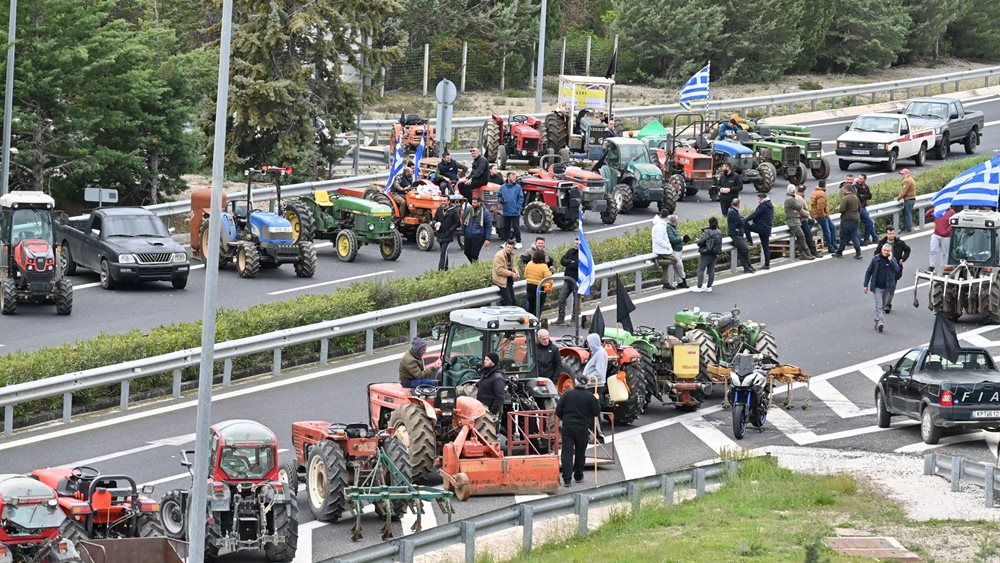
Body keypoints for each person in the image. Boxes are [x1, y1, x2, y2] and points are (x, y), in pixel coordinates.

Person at [555, 375, 601, 487]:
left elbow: (558, 410)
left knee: (567, 452)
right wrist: (596, 400)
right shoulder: (590, 396)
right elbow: (596, 412)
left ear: (575, 382)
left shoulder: (567, 394)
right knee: (580, 452)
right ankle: (578, 476)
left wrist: (565, 419)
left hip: (568, 426)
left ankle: (567, 479)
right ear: (586, 384)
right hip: (582, 427)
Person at [864, 243, 901, 333]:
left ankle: (877, 321)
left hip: (887, 288)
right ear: (882, 250)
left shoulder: (892, 260)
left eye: (888, 251)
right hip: (877, 287)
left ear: (890, 252)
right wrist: (865, 285)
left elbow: (897, 269)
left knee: (883, 306)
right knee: (879, 305)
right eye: (884, 250)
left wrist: (891, 260)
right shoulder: (876, 259)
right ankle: (881, 322)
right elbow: (869, 272)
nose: (886, 252)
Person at [873, 226, 910, 314]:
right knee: (883, 287)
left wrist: (903, 259)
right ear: (886, 234)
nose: (891, 235)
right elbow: (876, 253)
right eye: (889, 234)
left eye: (893, 233)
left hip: (895, 268)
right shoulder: (882, 243)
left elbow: (908, 250)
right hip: (884, 269)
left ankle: (888, 304)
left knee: (892, 287)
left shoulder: (900, 243)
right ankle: (883, 302)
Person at [783, 185, 814, 261]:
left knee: (800, 237)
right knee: (801, 236)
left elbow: (798, 207)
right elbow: (800, 206)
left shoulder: (790, 198)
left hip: (796, 221)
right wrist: (797, 208)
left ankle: (803, 254)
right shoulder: (790, 199)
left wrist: (796, 209)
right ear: (793, 191)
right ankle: (807, 252)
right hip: (793, 222)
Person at [653, 209, 681, 289]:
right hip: (662, 250)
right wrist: (668, 246)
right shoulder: (660, 226)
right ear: (667, 217)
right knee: (674, 260)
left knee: (665, 266)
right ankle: (658, 262)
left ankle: (665, 283)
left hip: (661, 249)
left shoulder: (659, 224)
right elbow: (659, 240)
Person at [693, 216, 723, 292]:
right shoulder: (719, 231)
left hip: (706, 253)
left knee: (701, 269)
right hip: (715, 253)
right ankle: (709, 287)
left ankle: (699, 287)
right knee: (711, 270)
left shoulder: (707, 231)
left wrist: (698, 241)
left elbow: (700, 242)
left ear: (709, 223)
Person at [745, 192, 773, 269]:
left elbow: (755, 214)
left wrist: (745, 220)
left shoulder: (763, 206)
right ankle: (767, 264)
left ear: (762, 199)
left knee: (746, 226)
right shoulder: (769, 205)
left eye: (758, 199)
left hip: (761, 227)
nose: (757, 201)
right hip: (767, 229)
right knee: (765, 246)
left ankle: (749, 241)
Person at [833, 183, 862, 259]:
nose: (843, 191)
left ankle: (839, 252)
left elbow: (842, 209)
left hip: (846, 220)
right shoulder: (856, 198)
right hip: (855, 219)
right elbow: (859, 208)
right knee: (854, 236)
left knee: (843, 237)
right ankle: (858, 252)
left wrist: (838, 208)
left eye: (844, 189)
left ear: (846, 189)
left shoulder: (845, 198)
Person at [460, 196, 492, 263]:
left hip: (479, 237)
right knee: (466, 252)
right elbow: (464, 222)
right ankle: (475, 266)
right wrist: (462, 234)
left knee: (474, 255)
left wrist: (487, 239)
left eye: (475, 203)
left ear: (479, 203)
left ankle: (476, 266)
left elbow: (488, 226)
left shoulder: (485, 212)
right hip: (468, 235)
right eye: (472, 202)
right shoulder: (469, 209)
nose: (473, 204)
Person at [555, 238, 579, 326]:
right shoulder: (570, 251)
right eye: (575, 243)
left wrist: (568, 263)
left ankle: (574, 319)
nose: (576, 245)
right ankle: (561, 318)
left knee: (576, 301)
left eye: (578, 244)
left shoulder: (582, 254)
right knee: (561, 299)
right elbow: (562, 261)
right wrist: (570, 262)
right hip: (567, 280)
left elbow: (575, 265)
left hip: (577, 281)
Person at [433, 197, 461, 271]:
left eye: (444, 201)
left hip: (448, 235)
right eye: (442, 201)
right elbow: (434, 219)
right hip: (440, 234)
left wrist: (450, 230)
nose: (442, 202)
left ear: (448, 202)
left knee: (443, 252)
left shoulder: (453, 210)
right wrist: (435, 223)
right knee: (444, 252)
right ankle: (446, 268)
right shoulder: (439, 210)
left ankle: (441, 269)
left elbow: (457, 222)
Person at [727, 198, 755, 273]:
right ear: (739, 204)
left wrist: (742, 219)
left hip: (738, 234)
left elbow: (740, 219)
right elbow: (741, 222)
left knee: (742, 251)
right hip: (735, 235)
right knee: (745, 249)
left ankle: (747, 267)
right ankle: (748, 266)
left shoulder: (733, 211)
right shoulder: (732, 212)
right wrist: (744, 219)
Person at [476, 352, 506, 417]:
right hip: (482, 410)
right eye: (485, 359)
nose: (484, 361)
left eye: (487, 360)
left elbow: (500, 396)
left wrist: (492, 412)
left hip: (489, 412)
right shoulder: (486, 374)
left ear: (493, 362)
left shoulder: (497, 377)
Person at [927, 206, 956, 274]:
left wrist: (946, 231)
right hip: (936, 234)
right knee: (933, 250)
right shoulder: (937, 210)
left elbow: (953, 223)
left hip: (946, 236)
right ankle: (931, 267)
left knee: (945, 253)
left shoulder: (951, 212)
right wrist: (934, 209)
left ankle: (944, 267)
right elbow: (927, 214)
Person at [811, 180, 837, 254]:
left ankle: (834, 244)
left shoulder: (815, 191)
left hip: (821, 215)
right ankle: (830, 247)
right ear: (825, 185)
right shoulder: (821, 194)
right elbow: (820, 207)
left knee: (832, 227)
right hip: (821, 216)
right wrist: (823, 215)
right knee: (827, 231)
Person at [498, 173, 524, 247]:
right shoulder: (503, 187)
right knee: (506, 227)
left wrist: (517, 206)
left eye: (515, 177)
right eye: (513, 177)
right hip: (506, 210)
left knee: (516, 226)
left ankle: (519, 242)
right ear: (508, 178)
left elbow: (521, 198)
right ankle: (506, 241)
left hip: (515, 211)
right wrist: (501, 200)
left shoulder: (518, 187)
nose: (514, 179)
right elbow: (499, 196)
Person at [492, 239, 520, 306]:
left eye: (511, 248)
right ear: (505, 246)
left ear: (513, 248)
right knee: (509, 302)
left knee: (513, 301)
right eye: (508, 247)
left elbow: (512, 265)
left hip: (508, 280)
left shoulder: (510, 254)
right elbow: (499, 270)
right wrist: (512, 274)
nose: (509, 249)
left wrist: (516, 271)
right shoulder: (499, 255)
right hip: (501, 281)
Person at [524, 249, 553, 316]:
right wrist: (550, 284)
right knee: (538, 307)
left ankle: (530, 320)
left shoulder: (529, 264)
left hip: (529, 287)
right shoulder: (544, 266)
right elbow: (548, 279)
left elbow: (525, 275)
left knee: (531, 306)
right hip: (540, 288)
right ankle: (536, 320)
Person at [796, 184, 820, 258]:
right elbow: (803, 210)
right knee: (808, 236)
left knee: (806, 235)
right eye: (803, 192)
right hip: (802, 220)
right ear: (802, 192)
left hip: (799, 220)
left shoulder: (795, 197)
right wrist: (807, 215)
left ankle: (808, 252)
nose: (804, 194)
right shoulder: (799, 198)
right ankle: (813, 252)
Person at [666, 214, 688, 287]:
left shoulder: (673, 227)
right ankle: (683, 279)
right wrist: (680, 239)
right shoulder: (669, 227)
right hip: (674, 250)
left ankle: (680, 283)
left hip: (678, 250)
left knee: (677, 267)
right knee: (679, 266)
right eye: (677, 220)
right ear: (674, 221)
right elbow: (672, 239)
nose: (678, 221)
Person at [855, 174, 877, 245]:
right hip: (859, 207)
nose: (859, 180)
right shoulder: (855, 186)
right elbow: (857, 196)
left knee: (869, 223)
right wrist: (863, 196)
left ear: (864, 179)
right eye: (859, 178)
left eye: (861, 179)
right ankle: (867, 239)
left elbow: (869, 196)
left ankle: (871, 238)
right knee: (869, 222)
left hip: (863, 207)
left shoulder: (866, 186)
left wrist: (863, 196)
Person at [897, 168, 916, 233]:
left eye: (902, 174)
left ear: (906, 174)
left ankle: (908, 228)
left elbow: (904, 192)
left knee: (907, 214)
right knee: (907, 213)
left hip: (908, 199)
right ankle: (906, 227)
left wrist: (898, 198)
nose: (901, 175)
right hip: (912, 199)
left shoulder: (907, 181)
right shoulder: (911, 179)